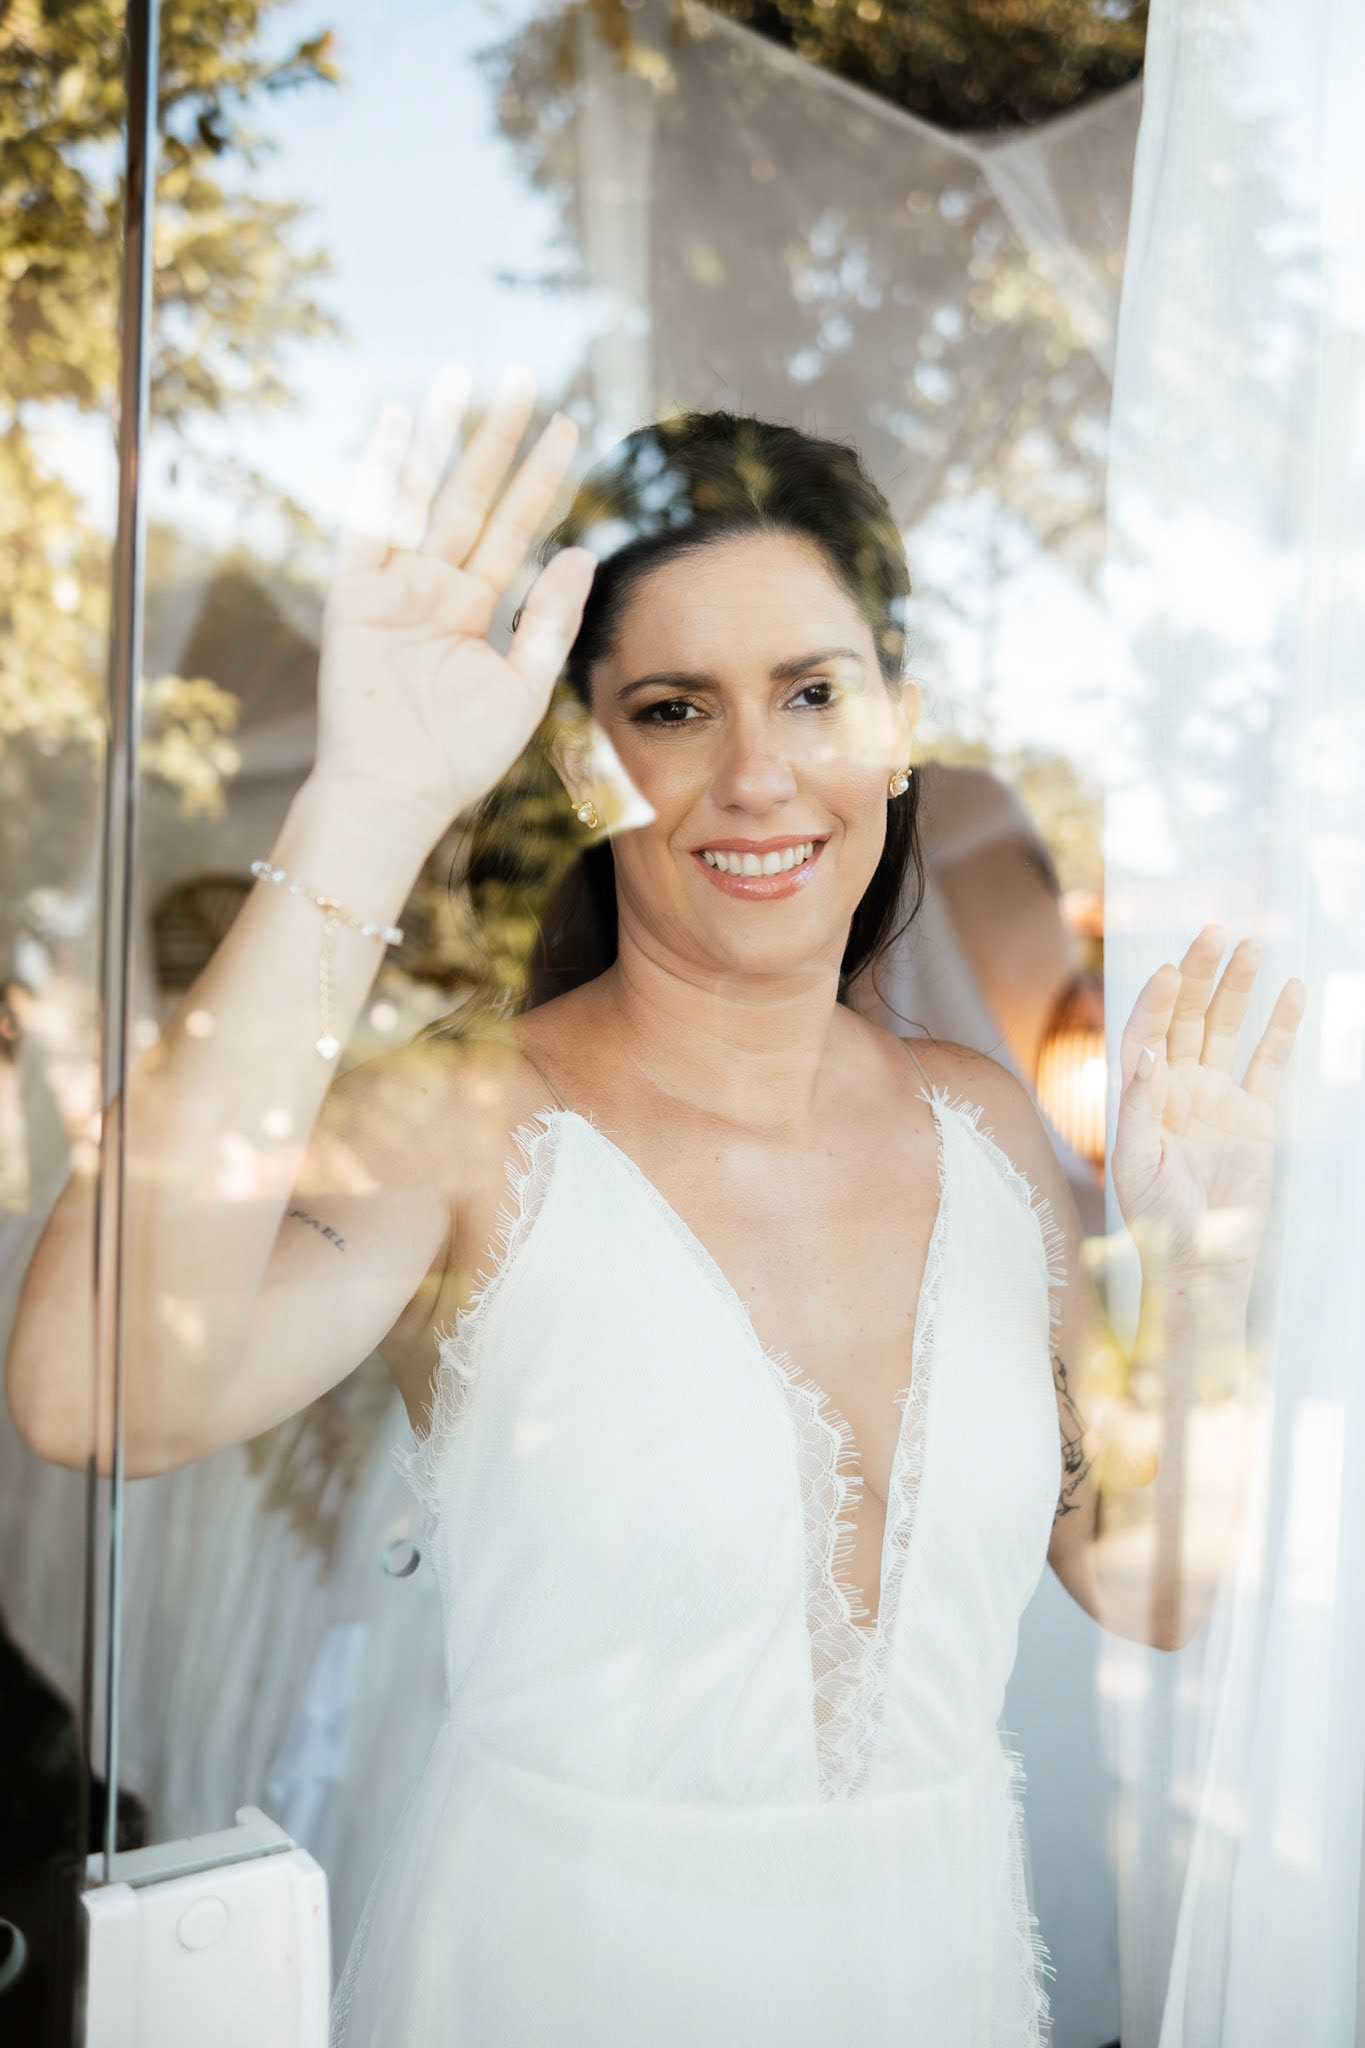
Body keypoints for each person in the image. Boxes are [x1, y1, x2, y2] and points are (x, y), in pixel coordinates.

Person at [6, 371, 1304, 2047]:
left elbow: (1150, 1588)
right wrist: (373, 802)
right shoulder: (468, 1122)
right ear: (586, 761)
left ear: (894, 726)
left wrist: (1198, 1265)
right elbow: (92, 1392)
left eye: (813, 693)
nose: (757, 775)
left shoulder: (981, 1131)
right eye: (678, 709)